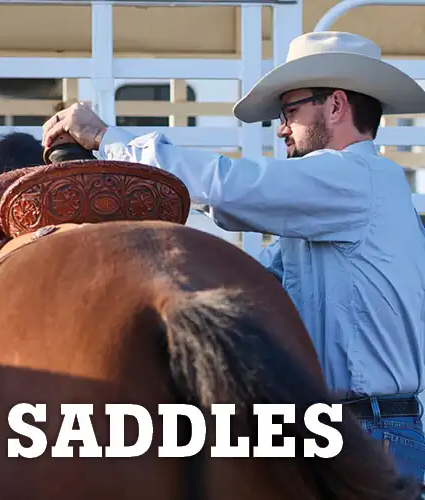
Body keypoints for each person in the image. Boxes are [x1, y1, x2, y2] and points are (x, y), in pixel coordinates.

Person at [42, 31, 425, 480]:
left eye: (290, 111)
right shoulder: (342, 201)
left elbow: (232, 187)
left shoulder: (357, 178)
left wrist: (106, 139)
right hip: (348, 430)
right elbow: (249, 285)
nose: (282, 128)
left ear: (336, 105)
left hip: (368, 436)